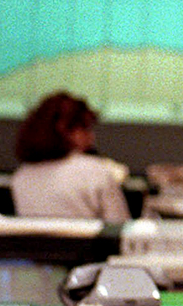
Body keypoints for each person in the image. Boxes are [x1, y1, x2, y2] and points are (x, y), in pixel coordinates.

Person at [10, 92, 130, 221]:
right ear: (63, 129)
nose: (91, 137)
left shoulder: (20, 177)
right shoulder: (96, 171)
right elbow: (120, 228)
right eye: (85, 128)